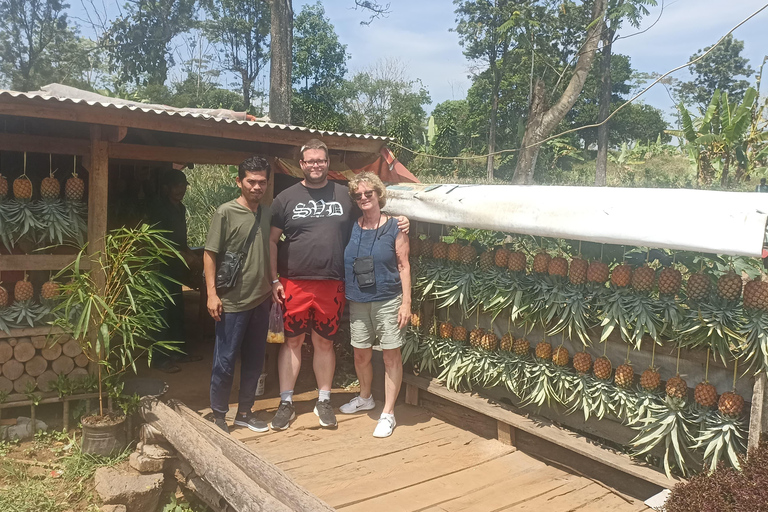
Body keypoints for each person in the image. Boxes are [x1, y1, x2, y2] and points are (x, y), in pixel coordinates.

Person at [268, 139, 408, 431]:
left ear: (327, 163)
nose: (316, 165)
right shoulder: (285, 197)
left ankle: (323, 399)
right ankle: (286, 402)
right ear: (302, 164)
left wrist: (401, 220)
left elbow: (373, 211)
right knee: (292, 341)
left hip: (332, 283)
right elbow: (271, 240)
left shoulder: (345, 194)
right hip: (294, 281)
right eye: (310, 161)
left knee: (324, 342)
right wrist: (273, 279)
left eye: (321, 160)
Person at [203, 156, 273, 434]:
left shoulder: (267, 213)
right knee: (225, 359)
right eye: (251, 181)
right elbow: (210, 254)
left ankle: (245, 411)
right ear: (239, 181)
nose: (257, 186)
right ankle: (219, 415)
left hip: (261, 299)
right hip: (231, 301)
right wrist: (211, 294)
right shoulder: (225, 212)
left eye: (262, 182)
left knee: (255, 360)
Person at [338, 173, 410, 438]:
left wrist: (406, 303)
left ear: (379, 194)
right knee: (361, 354)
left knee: (391, 355)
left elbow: (404, 266)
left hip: (388, 299)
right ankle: (365, 396)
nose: (364, 198)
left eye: (369, 193)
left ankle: (388, 413)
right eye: (358, 195)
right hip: (358, 300)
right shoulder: (351, 226)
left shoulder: (395, 227)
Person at [148, 168, 202, 373]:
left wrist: (192, 255)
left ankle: (178, 352)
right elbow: (154, 242)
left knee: (177, 310)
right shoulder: (158, 208)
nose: (181, 190)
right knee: (162, 313)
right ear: (166, 188)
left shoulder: (180, 209)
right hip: (159, 268)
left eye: (183, 186)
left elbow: (181, 241)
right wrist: (184, 255)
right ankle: (160, 359)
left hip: (175, 269)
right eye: (176, 186)